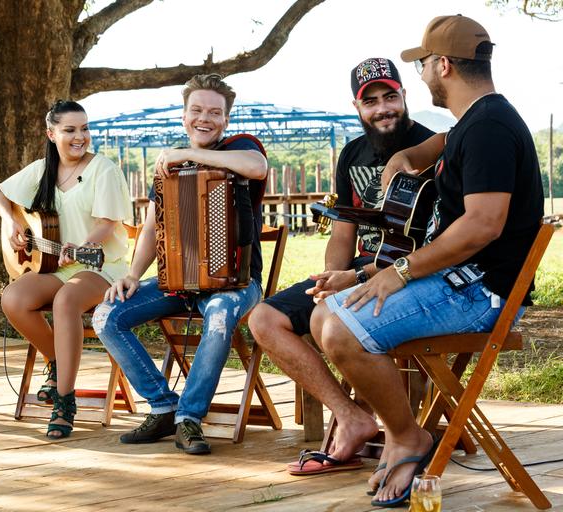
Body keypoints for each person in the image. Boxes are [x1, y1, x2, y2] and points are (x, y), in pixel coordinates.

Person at [309, 15, 544, 507]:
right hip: (460, 281)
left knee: (340, 330)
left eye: (422, 68)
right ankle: (400, 432)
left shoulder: (491, 129)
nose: (422, 78)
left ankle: (407, 436)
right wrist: (406, 157)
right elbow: (439, 144)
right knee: (324, 312)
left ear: (443, 66)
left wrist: (399, 271)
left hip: (483, 293)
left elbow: (482, 225)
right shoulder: (475, 122)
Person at [248, 57, 436, 476]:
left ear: (404, 96)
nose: (383, 108)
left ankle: (399, 428)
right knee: (263, 319)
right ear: (357, 106)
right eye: (372, 101)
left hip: (404, 273)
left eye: (391, 96)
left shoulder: (434, 146)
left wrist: (356, 279)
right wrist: (332, 276)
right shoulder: (352, 153)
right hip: (355, 270)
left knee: (328, 319)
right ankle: (351, 417)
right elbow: (342, 230)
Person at [92, 73, 268, 455]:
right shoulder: (167, 167)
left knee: (220, 315)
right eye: (197, 110)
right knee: (107, 316)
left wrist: (188, 154)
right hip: (178, 282)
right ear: (184, 115)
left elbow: (256, 168)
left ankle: (189, 418)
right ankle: (163, 406)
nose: (205, 118)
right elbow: (154, 227)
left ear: (226, 119)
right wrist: (133, 275)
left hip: (235, 284)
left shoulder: (242, 146)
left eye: (215, 112)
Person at [0, 100, 131, 439]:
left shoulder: (104, 170)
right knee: (13, 299)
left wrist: (85, 245)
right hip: (56, 265)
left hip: (102, 266)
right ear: (51, 133)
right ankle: (57, 361)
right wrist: (11, 221)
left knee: (66, 301)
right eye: (70, 130)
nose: (79, 136)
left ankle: (65, 400)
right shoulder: (43, 169)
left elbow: (107, 222)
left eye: (84, 128)